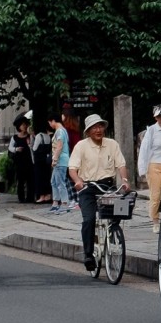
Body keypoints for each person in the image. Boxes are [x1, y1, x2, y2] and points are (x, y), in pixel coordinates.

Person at [69, 114, 130, 273]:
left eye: (101, 126)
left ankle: (113, 230)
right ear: (88, 131)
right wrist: (77, 181)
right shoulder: (81, 146)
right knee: (89, 219)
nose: (98, 130)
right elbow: (72, 168)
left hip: (107, 185)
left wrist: (124, 180)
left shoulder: (112, 144)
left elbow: (121, 164)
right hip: (87, 187)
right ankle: (88, 255)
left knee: (121, 206)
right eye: (94, 127)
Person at [138, 104, 161, 233]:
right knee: (155, 195)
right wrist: (142, 168)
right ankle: (155, 221)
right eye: (159, 116)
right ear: (155, 117)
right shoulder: (151, 130)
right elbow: (144, 150)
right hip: (154, 165)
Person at [7, 115, 35, 205]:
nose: (25, 126)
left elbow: (33, 147)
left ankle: (30, 197)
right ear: (19, 126)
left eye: (26, 124)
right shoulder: (14, 137)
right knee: (20, 180)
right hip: (19, 161)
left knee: (30, 180)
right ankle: (21, 198)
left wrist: (30, 143)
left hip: (29, 161)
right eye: (23, 125)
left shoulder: (29, 136)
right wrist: (16, 149)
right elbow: (10, 148)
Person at [48, 113, 72, 213]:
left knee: (59, 182)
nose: (50, 124)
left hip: (60, 160)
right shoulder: (63, 131)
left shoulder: (59, 132)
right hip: (61, 160)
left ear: (53, 121)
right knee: (54, 181)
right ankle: (55, 203)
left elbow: (59, 146)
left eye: (50, 122)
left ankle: (65, 204)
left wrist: (55, 159)